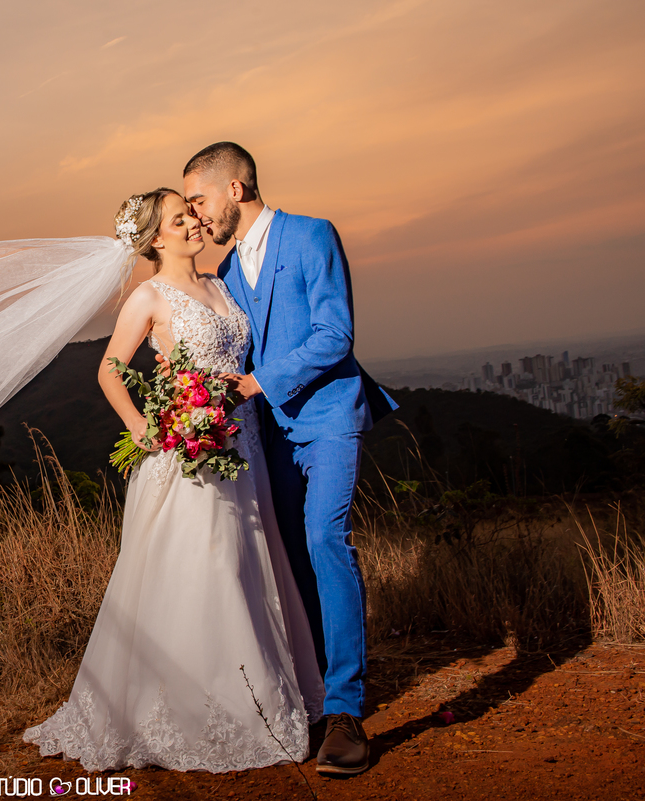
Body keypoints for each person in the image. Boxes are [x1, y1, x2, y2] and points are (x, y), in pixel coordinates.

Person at [22, 188, 324, 772]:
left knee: (247, 560)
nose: (192, 224)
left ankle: (262, 691)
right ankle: (199, 705)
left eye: (191, 214)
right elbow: (110, 370)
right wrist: (142, 425)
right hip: (189, 454)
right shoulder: (149, 295)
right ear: (155, 240)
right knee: (207, 563)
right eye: (178, 220)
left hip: (244, 445)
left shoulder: (221, 284)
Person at [182, 142, 397, 776]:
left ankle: (347, 713)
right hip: (267, 433)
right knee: (290, 554)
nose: (196, 214)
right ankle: (315, 692)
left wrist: (257, 383)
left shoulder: (312, 235)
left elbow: (335, 335)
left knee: (326, 539)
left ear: (236, 188)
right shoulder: (224, 270)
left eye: (199, 199)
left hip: (328, 418)